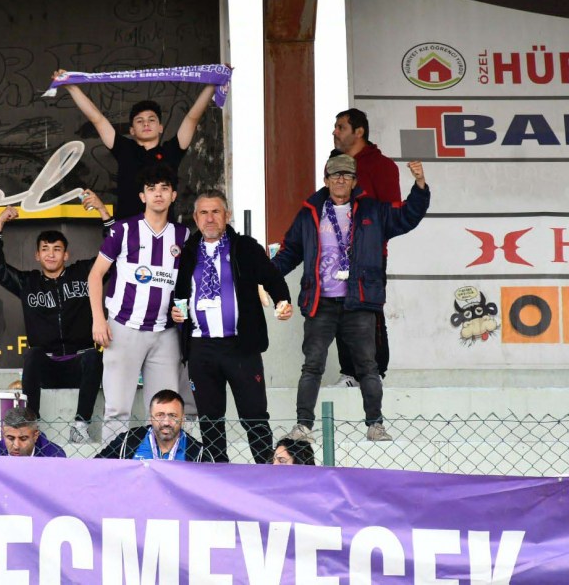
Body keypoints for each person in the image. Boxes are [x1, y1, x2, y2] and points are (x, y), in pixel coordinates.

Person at [273, 154, 430, 442]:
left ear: (355, 181)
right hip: (320, 302)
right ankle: (303, 427)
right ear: (326, 180)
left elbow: (408, 215)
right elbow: (289, 252)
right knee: (312, 366)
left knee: (367, 366)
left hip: (358, 301)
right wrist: (265, 276)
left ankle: (375, 425)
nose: (341, 180)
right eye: (335, 175)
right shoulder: (310, 212)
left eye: (347, 175)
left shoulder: (373, 210)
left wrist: (419, 184)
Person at [170, 189, 292, 464]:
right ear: (195, 218)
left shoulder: (245, 247)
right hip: (201, 347)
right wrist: (175, 311)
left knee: (254, 416)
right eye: (204, 213)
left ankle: (265, 472)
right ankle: (219, 477)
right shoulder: (186, 252)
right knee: (210, 420)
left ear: (227, 215)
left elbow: (273, 278)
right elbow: (178, 294)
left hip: (241, 347)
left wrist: (283, 302)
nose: (210, 218)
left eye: (216, 211)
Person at [0, 190, 111, 444]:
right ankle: (31, 425)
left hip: (79, 364)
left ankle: (80, 425)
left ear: (66, 255)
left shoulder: (85, 273)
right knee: (33, 354)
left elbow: (113, 253)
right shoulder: (27, 282)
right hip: (47, 367)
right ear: (37, 255)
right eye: (45, 249)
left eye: (57, 249)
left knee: (94, 356)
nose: (51, 254)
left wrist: (103, 212)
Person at [88, 163, 195, 445]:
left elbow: (187, 284)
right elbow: (95, 275)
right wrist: (99, 319)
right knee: (117, 409)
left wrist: (182, 311)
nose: (158, 194)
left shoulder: (183, 236)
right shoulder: (124, 230)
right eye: (151, 189)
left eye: (164, 188)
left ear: (173, 195)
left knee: (165, 412)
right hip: (124, 327)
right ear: (142, 196)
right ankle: (115, 464)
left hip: (165, 333)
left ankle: (162, 463)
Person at [53, 69, 216, 220]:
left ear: (160, 127)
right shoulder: (124, 148)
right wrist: (70, 86)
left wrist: (213, 83)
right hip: (126, 229)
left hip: (163, 230)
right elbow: (97, 119)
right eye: (140, 121)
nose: (146, 124)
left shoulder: (171, 150)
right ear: (132, 130)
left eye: (151, 120)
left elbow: (192, 118)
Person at [330, 108, 402, 386]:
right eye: (336, 127)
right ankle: (349, 373)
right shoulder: (336, 164)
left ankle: (374, 373)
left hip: (369, 255)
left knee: (369, 311)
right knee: (339, 309)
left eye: (341, 127)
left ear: (359, 132)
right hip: (336, 254)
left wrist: (369, 239)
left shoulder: (382, 166)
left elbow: (393, 215)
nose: (335, 132)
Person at [97, 390, 211, 462]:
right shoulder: (128, 440)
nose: (166, 422)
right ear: (151, 417)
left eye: (173, 415)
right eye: (160, 415)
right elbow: (98, 467)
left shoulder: (199, 453)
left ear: (182, 419)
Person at [0, 408, 66, 458]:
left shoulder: (54, 454)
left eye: (23, 439)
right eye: (10, 438)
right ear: (3, 432)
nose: (16, 446)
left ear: (36, 435)